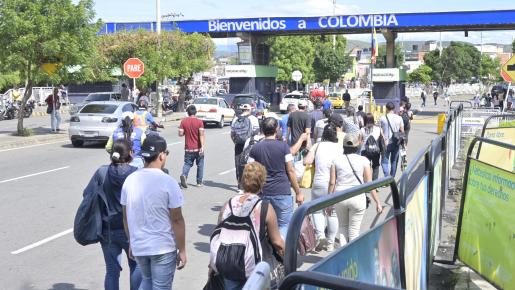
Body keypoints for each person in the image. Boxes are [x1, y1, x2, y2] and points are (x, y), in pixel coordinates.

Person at [122, 135, 187, 290]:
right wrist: (182, 250)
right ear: (161, 155)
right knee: (159, 286)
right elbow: (177, 220)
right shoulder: (168, 182)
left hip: (140, 246)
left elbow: (125, 216)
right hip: (162, 248)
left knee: (147, 281)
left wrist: (132, 241)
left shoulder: (130, 180)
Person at [213, 162, 284, 290]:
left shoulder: (228, 205)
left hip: (229, 266)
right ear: (262, 183)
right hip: (254, 267)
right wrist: (288, 257)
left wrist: (211, 267)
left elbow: (218, 238)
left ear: (242, 181)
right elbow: (277, 242)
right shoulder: (265, 208)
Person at [248, 117, 304, 238]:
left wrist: (248, 193)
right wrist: (298, 192)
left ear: (262, 130)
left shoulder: (255, 148)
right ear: (277, 128)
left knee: (262, 226)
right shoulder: (283, 147)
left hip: (262, 193)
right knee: (283, 225)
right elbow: (290, 170)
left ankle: (263, 255)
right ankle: (281, 252)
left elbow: (249, 171)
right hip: (282, 193)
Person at [97, 139, 141, 290]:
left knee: (111, 272)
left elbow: (88, 194)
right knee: (136, 267)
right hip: (131, 230)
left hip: (107, 229)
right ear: (130, 153)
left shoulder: (102, 172)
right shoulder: (136, 174)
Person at [329, 133, 383, 246]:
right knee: (354, 231)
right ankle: (353, 259)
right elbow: (369, 184)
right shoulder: (364, 161)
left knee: (343, 228)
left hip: (340, 196)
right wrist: (378, 202)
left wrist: (328, 202)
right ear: (357, 146)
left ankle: (342, 257)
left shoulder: (336, 160)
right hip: (357, 196)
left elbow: (332, 182)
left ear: (343, 146)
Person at [303, 125, 341, 252]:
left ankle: (320, 235)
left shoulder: (317, 145)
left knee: (317, 211)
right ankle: (330, 243)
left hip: (318, 182)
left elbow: (307, 161)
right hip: (334, 183)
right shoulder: (339, 147)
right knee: (332, 213)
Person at [231, 104, 260, 185]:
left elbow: (232, 133)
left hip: (239, 144)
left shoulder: (236, 119)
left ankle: (240, 185)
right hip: (250, 144)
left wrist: (236, 141)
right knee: (251, 164)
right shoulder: (253, 119)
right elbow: (257, 132)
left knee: (238, 164)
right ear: (250, 110)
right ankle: (250, 183)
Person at [179, 105, 205, 188]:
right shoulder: (199, 122)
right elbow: (201, 135)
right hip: (198, 148)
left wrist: (185, 132)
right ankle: (199, 182)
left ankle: (184, 175)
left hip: (188, 148)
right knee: (200, 165)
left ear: (188, 112)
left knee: (187, 164)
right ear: (195, 112)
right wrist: (202, 146)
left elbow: (180, 134)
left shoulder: (183, 122)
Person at [380, 102, 404, 178]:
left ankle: (386, 177)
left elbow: (380, 130)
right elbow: (402, 131)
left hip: (386, 142)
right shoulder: (399, 118)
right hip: (396, 142)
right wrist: (403, 144)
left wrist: (383, 138)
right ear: (393, 108)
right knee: (394, 161)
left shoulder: (383, 118)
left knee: (384, 161)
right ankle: (392, 177)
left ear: (386, 108)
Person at [360, 113, 383, 181]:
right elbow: (382, 138)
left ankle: (367, 183)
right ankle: (374, 184)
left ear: (365, 120)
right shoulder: (378, 129)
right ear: (373, 120)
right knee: (376, 166)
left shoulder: (362, 129)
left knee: (367, 167)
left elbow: (360, 141)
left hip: (365, 151)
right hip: (375, 150)